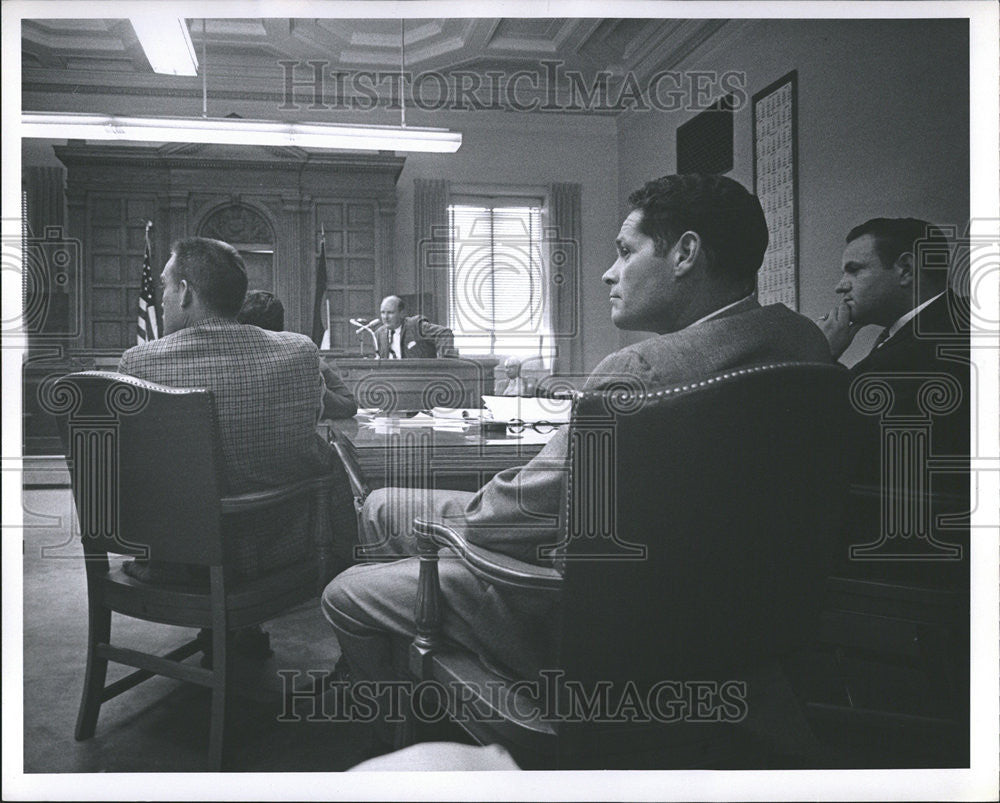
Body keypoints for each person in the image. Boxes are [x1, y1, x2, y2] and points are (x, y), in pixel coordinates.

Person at [322, 174, 834, 692]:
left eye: (625, 253)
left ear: (685, 254)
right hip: (732, 617)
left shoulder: (638, 369)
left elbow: (516, 516)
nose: (609, 275)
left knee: (352, 577)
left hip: (582, 622)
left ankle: (408, 726)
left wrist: (466, 514)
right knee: (389, 506)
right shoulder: (804, 342)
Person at [118, 238, 356, 587]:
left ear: (185, 292)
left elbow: (131, 473)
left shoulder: (138, 362)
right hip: (287, 554)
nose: (162, 298)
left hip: (183, 559)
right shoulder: (300, 351)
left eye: (165, 286)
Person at [817, 218, 970, 584]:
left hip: (912, 562)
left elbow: (828, 436)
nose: (841, 286)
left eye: (854, 270)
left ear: (905, 269)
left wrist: (821, 358)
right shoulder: (936, 325)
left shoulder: (929, 346)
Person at [237, 290, 358, 419]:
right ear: (281, 324)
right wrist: (316, 371)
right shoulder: (302, 360)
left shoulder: (229, 365)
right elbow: (348, 406)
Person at [375, 295, 456, 359]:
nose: (385, 317)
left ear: (402, 313)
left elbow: (444, 333)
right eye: (382, 312)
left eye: (390, 313)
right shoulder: (379, 334)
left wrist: (444, 364)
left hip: (420, 377)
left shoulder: (416, 326)